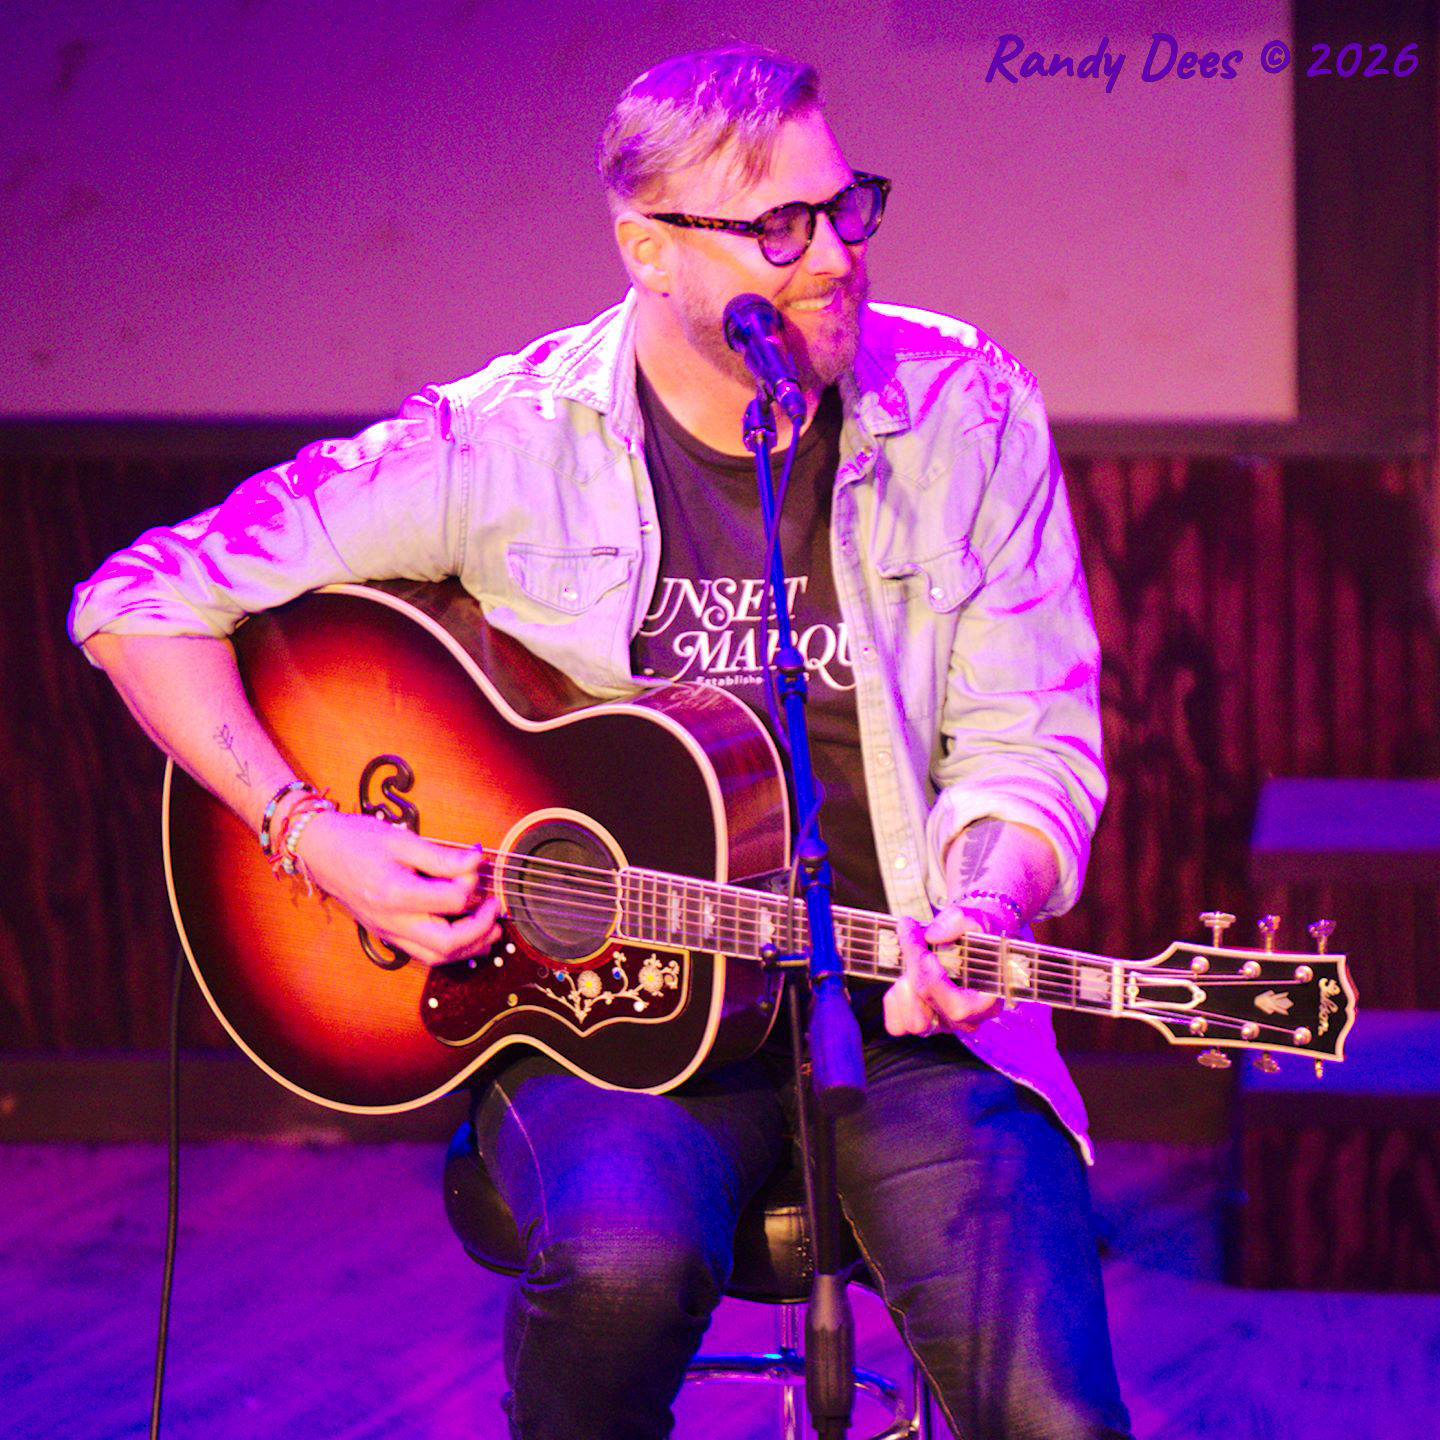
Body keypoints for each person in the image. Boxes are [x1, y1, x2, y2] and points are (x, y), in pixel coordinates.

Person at [71, 44, 1132, 1440]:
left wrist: (986, 903)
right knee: (624, 1264)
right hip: (600, 1034)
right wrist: (313, 831)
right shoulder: (503, 441)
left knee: (1055, 1418)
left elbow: (1030, 740)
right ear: (649, 250)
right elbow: (139, 599)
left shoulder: (963, 408)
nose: (831, 259)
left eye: (843, 207)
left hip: (907, 1012)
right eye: (775, 228)